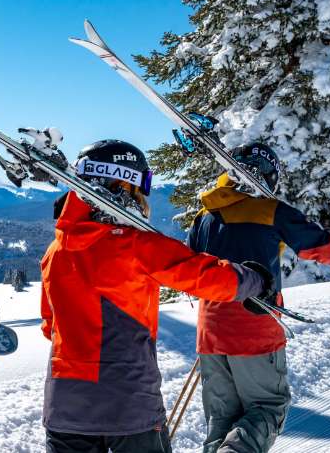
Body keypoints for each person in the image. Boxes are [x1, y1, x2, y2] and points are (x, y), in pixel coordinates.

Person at [40, 139, 275, 453]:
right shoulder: (136, 245)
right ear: (124, 183)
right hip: (129, 405)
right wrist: (256, 280)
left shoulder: (54, 252)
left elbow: (49, 325)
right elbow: (206, 276)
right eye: (143, 187)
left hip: (64, 408)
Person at [188, 141, 330, 453]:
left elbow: (191, 265)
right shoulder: (270, 211)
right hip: (254, 325)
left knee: (221, 420)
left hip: (209, 331)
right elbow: (317, 245)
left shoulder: (204, 216)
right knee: (268, 407)